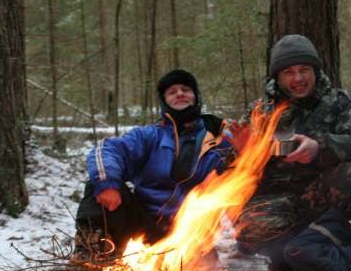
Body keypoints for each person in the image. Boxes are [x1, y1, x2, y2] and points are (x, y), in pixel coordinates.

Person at [233, 34, 351, 271]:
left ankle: (335, 244)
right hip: (273, 201)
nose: (298, 78)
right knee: (250, 230)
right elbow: (236, 164)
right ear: (277, 77)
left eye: (304, 70)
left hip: (320, 197)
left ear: (315, 71)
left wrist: (320, 147)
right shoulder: (259, 111)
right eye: (289, 72)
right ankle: (292, 251)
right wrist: (247, 151)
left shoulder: (338, 101)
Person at [73, 69, 233, 260]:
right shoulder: (149, 136)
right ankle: (92, 256)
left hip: (192, 232)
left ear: (196, 97)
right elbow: (107, 150)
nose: (180, 93)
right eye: (172, 92)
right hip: (143, 225)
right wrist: (107, 183)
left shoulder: (221, 140)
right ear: (164, 101)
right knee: (97, 185)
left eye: (185, 89)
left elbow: (243, 180)